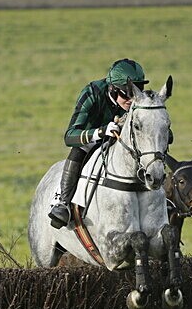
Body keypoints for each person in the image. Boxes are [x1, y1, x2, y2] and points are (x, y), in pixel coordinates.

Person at [48, 58, 149, 229]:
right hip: (93, 139)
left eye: (136, 91)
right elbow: (69, 136)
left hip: (125, 145)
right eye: (126, 93)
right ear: (112, 88)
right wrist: (99, 132)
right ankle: (63, 203)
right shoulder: (92, 93)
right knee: (79, 149)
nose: (132, 99)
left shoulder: (140, 100)